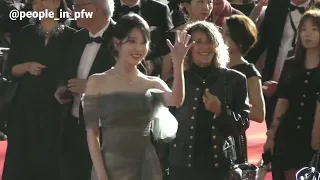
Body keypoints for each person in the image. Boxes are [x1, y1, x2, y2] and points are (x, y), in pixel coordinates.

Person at [82, 13, 192, 180]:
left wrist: (178, 63)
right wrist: (101, 175)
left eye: (144, 42)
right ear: (117, 43)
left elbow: (176, 100)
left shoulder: (152, 83)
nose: (139, 48)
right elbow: (92, 133)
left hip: (146, 167)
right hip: (110, 166)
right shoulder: (97, 81)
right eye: (132, 41)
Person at [166, 21, 250, 180]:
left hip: (219, 168)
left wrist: (221, 111)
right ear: (188, 48)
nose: (205, 47)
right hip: (182, 169)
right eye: (198, 42)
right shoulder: (176, 81)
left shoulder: (234, 80)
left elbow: (243, 124)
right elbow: (164, 132)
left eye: (209, 41)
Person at [1, 0, 75, 179]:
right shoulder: (26, 33)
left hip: (56, 110)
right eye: (35, 2)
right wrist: (26, 66)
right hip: (24, 108)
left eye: (43, 0)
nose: (39, 5)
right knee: (19, 161)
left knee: (48, 162)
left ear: (58, 2)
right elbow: (10, 69)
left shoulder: (73, 36)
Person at [263, 10, 320, 180]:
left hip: (313, 137)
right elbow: (283, 101)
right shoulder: (290, 64)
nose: (307, 34)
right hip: (288, 135)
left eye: (314, 29)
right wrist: (271, 134)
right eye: (303, 29)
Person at [223, 14, 265, 164]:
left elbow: (260, 113)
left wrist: (231, 106)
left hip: (233, 138)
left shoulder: (249, 72)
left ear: (239, 41)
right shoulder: (215, 66)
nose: (221, 37)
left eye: (227, 34)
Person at [112, 0, 173, 76]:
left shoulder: (160, 9)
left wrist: (154, 63)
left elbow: (168, 49)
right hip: (111, 71)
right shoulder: (105, 7)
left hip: (150, 75)